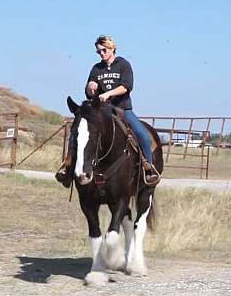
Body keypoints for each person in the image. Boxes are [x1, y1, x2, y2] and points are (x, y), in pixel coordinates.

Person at [56, 35, 160, 187]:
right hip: (100, 111)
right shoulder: (96, 68)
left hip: (123, 109)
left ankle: (148, 168)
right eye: (99, 52)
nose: (102, 54)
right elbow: (89, 92)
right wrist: (90, 88)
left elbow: (126, 86)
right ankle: (68, 166)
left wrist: (108, 94)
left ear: (112, 49)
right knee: (77, 133)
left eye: (104, 50)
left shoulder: (123, 65)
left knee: (143, 135)